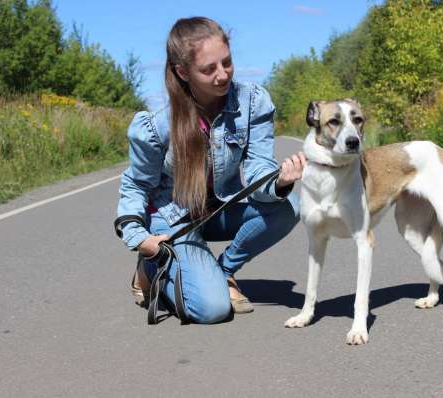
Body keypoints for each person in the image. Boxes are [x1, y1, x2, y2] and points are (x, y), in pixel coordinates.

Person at [115, 16, 305, 324]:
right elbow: (136, 186)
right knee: (212, 310)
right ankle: (151, 267)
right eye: (209, 69)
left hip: (216, 211)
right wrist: (139, 238)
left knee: (288, 207)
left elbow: (258, 165)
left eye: (227, 63)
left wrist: (278, 183)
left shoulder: (252, 103)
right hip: (171, 221)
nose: (223, 75)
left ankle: (224, 270)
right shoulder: (155, 126)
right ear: (182, 72)